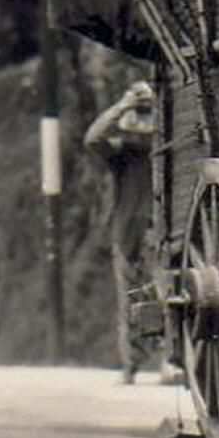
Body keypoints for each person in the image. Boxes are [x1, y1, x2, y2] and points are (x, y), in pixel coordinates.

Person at [84, 80, 158, 384]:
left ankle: (169, 360)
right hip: (127, 231)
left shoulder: (164, 152)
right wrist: (123, 105)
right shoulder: (120, 155)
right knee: (129, 297)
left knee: (163, 290)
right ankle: (131, 366)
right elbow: (93, 138)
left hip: (157, 230)